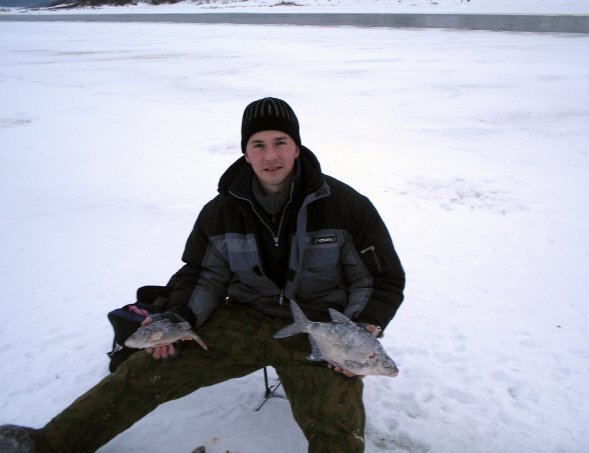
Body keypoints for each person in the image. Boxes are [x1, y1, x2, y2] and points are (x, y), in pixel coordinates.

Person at [0, 97, 405, 453]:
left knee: (337, 417)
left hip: (319, 330)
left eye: (280, 142)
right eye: (258, 145)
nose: (270, 156)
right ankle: (49, 443)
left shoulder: (346, 206)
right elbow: (202, 275)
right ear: (245, 153)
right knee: (145, 371)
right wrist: (177, 321)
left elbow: (380, 278)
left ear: (297, 147)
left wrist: (359, 332)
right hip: (244, 319)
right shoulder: (222, 210)